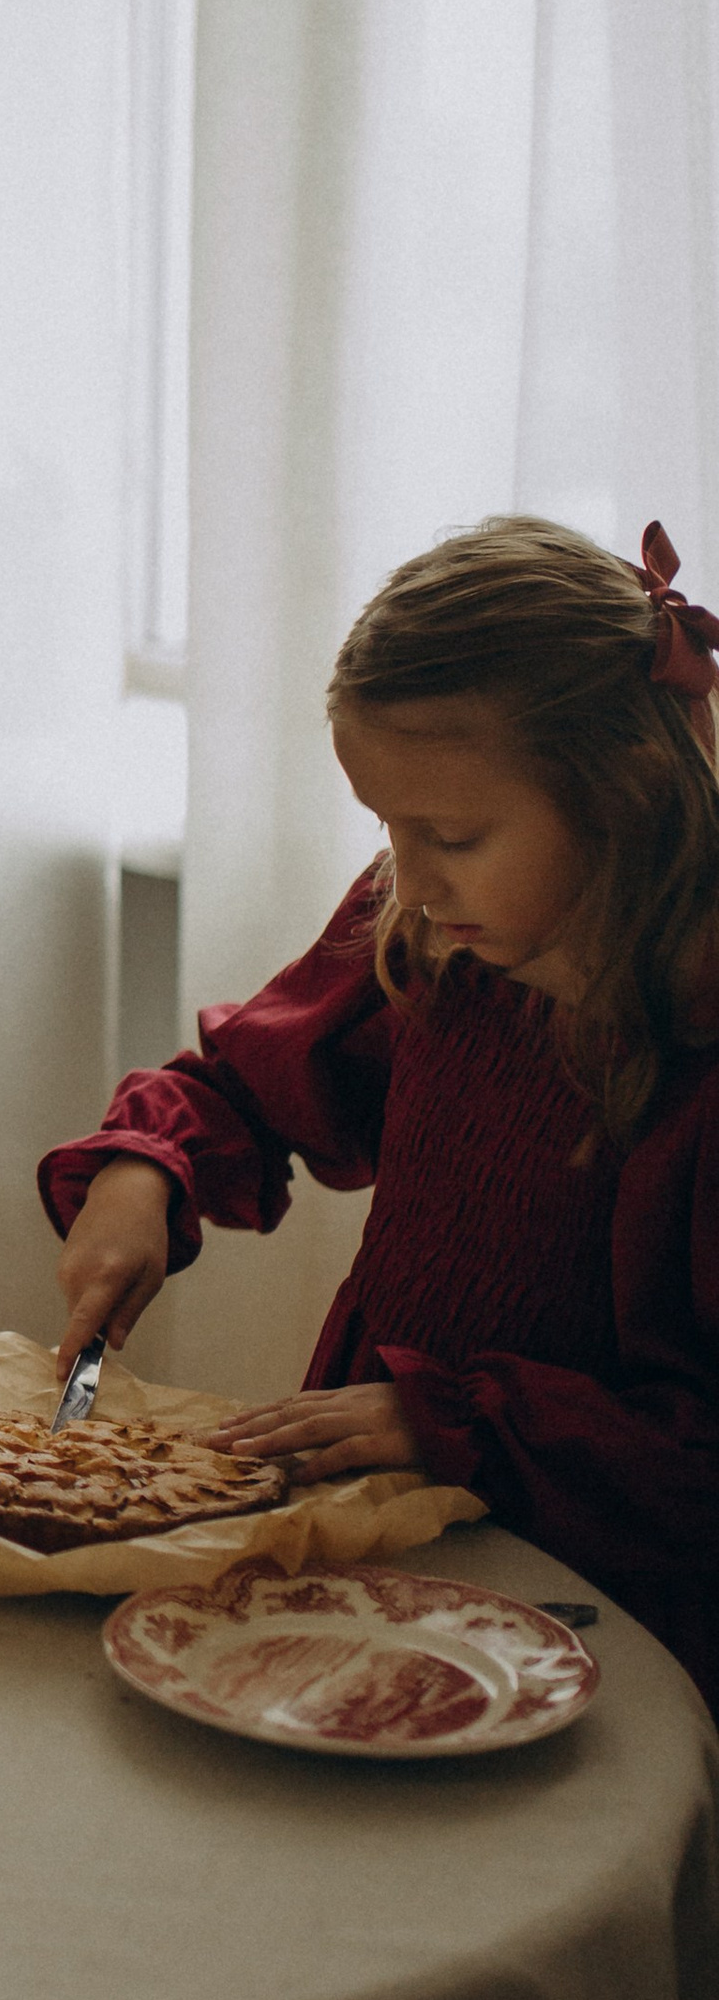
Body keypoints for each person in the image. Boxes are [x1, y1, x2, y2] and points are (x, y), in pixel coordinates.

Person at [43, 515, 719, 1708]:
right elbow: (246, 1085)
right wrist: (146, 1170)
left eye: (450, 834)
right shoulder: (432, 929)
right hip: (398, 1549)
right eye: (386, 830)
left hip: (616, 1613)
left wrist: (464, 1424)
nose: (408, 873)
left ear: (626, 795)